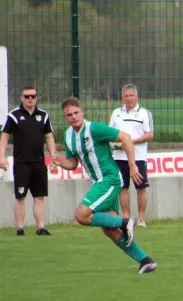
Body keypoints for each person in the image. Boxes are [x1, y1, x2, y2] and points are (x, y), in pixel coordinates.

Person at [52, 97, 157, 274]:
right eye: (69, 115)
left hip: (109, 179)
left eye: (76, 113)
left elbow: (125, 137)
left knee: (81, 215)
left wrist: (132, 165)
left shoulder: (94, 128)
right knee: (109, 229)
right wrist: (60, 162)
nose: (74, 117)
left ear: (82, 112)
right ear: (65, 117)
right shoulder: (68, 135)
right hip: (98, 182)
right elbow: (73, 163)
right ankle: (146, 260)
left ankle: (126, 222)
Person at [0, 86, 57, 236]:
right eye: (27, 96)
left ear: (36, 97)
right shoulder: (14, 116)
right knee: (20, 196)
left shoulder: (43, 115)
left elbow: (49, 136)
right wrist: (1, 157)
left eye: (33, 96)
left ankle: (41, 227)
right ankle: (20, 228)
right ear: (22, 98)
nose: (30, 99)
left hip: (39, 162)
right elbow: (5, 136)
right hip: (21, 163)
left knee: (39, 196)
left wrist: (53, 155)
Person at [109, 84, 154, 228]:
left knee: (141, 187)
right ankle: (126, 219)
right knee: (123, 187)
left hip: (138, 157)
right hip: (119, 157)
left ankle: (141, 218)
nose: (129, 99)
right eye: (126, 96)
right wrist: (116, 143)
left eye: (131, 96)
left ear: (137, 96)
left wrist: (129, 142)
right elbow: (110, 133)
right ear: (122, 98)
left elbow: (149, 134)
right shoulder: (116, 113)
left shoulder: (145, 113)